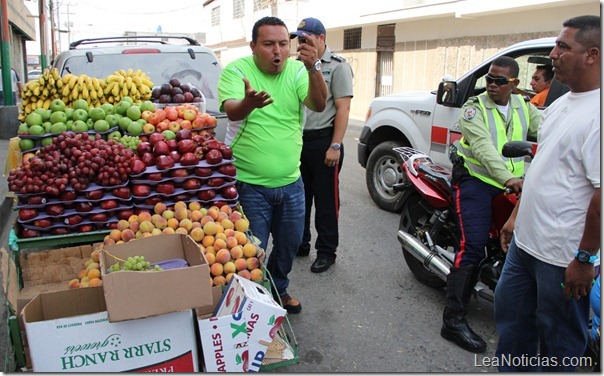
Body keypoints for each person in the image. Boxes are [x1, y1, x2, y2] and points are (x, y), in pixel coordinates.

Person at [495, 15, 600, 371]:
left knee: (560, 345)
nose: (553, 53)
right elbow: (540, 169)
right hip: (525, 247)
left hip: (562, 259)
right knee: (512, 330)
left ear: (592, 55)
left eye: (563, 47)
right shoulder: (560, 104)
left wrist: (584, 260)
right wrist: (513, 218)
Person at [218, 16, 327, 314]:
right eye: (268, 44)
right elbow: (231, 109)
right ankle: (252, 304)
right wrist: (248, 104)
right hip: (249, 185)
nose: (277, 50)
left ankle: (278, 289)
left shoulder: (298, 70)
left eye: (282, 43)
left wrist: (313, 66)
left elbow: (319, 104)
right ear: (253, 46)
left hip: (292, 183)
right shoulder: (237, 70)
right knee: (250, 251)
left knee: (290, 244)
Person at [443, 56, 541, 353]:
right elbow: (484, 148)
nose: (493, 85)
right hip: (477, 180)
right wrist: (507, 178)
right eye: (490, 79)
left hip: (517, 184)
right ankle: (453, 320)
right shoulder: (474, 107)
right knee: (472, 245)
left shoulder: (524, 107)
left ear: (515, 83)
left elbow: (550, 131)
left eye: (500, 81)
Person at [290, 17, 354, 273]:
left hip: (324, 141)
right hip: (299, 143)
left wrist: (335, 145)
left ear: (321, 39)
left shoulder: (337, 67)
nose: (302, 43)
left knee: (326, 202)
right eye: (300, 39)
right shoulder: (295, 67)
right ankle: (301, 243)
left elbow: (344, 108)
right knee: (300, 199)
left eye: (307, 38)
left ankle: (326, 251)